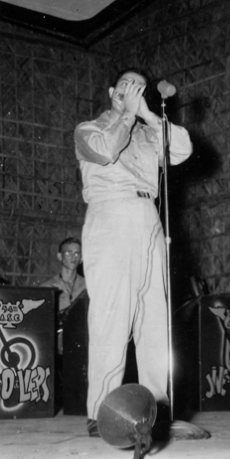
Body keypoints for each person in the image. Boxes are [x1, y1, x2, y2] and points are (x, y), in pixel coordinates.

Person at [74, 68, 192, 436]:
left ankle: (155, 410)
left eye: (138, 86)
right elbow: (107, 150)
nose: (131, 90)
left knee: (153, 318)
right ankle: (103, 412)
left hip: (148, 215)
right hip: (111, 214)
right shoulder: (88, 129)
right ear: (111, 91)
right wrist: (127, 113)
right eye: (125, 84)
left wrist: (147, 114)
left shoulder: (146, 132)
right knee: (112, 315)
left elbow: (184, 148)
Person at [40, 237, 87, 353]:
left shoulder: (88, 286)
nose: (73, 257)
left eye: (77, 253)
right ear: (60, 257)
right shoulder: (48, 288)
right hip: (56, 348)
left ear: (81, 258)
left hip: (82, 345)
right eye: (69, 252)